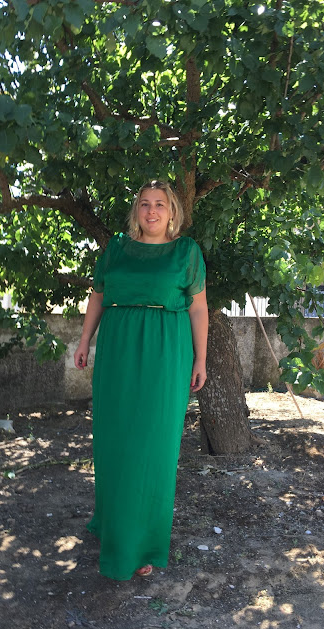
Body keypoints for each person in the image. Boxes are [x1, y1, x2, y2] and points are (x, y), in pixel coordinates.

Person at [73, 179, 208, 580]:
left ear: (172, 212)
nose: (152, 210)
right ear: (137, 211)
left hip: (166, 353)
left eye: (160, 204)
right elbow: (98, 296)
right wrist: (84, 340)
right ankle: (113, 523)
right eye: (145, 204)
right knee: (114, 439)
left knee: (154, 447)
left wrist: (201, 358)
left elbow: (198, 308)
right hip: (117, 349)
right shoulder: (116, 249)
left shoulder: (186, 252)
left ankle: (144, 543)